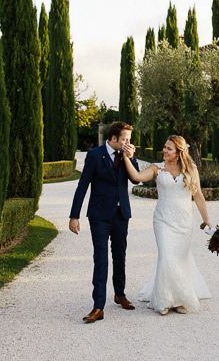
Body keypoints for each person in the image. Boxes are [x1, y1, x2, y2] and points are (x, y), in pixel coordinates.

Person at [122, 135, 213, 315]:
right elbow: (137, 176)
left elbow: (198, 196)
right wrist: (126, 157)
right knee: (166, 257)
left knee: (179, 259)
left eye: (169, 149)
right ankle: (164, 300)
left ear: (179, 153)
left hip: (184, 221)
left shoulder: (191, 169)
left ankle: (178, 300)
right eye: (165, 147)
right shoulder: (157, 168)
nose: (164, 150)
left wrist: (206, 220)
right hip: (163, 220)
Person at [69, 121, 141, 323]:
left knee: (120, 255)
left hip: (121, 215)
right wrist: (74, 216)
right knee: (100, 259)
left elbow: (136, 179)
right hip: (99, 216)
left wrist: (131, 157)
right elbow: (82, 186)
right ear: (114, 138)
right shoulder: (94, 155)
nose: (128, 143)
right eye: (125, 139)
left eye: (130, 139)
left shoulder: (126, 155)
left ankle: (120, 293)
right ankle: (98, 306)